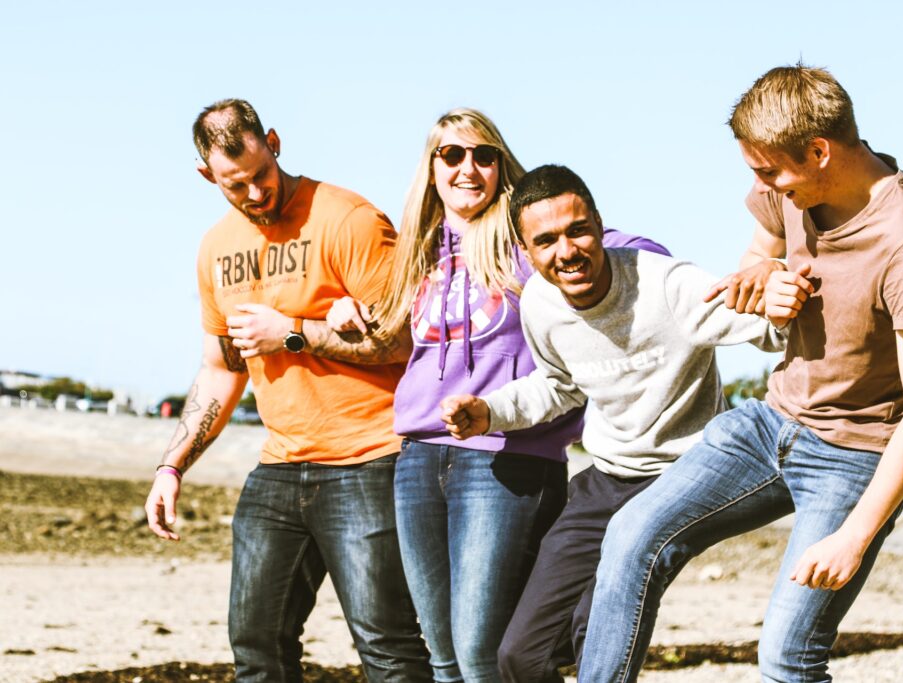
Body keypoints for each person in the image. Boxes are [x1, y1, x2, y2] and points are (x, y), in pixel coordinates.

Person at [577, 64, 903, 683]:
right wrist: (764, 275)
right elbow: (760, 252)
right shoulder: (790, 185)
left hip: (855, 453)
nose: (761, 185)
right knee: (629, 534)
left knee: (786, 658)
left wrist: (855, 537)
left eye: (768, 171)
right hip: (769, 421)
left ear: (820, 151)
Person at [326, 110, 668, 683]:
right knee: (443, 657)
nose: (468, 167)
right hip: (417, 457)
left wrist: (658, 265)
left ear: (501, 165)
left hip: (506, 460)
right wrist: (340, 308)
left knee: (483, 655)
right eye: (452, 155)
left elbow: (616, 245)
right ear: (431, 167)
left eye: (484, 155)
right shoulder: (417, 248)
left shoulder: (523, 241)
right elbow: (382, 328)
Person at [439, 164, 786, 681]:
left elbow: (773, 329)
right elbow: (559, 385)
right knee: (519, 656)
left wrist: (783, 291)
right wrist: (491, 411)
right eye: (547, 240)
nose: (567, 251)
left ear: (599, 225)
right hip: (607, 479)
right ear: (526, 250)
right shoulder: (539, 301)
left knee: (594, 631)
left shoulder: (667, 286)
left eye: (578, 230)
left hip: (683, 477)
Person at [143, 99, 430, 682]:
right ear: (207, 175)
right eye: (235, 185)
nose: (254, 194)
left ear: (273, 142)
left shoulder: (347, 219)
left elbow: (404, 340)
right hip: (279, 467)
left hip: (370, 460)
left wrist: (293, 334)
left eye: (261, 176)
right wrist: (171, 466)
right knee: (256, 645)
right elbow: (222, 369)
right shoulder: (214, 249)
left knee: (387, 649)